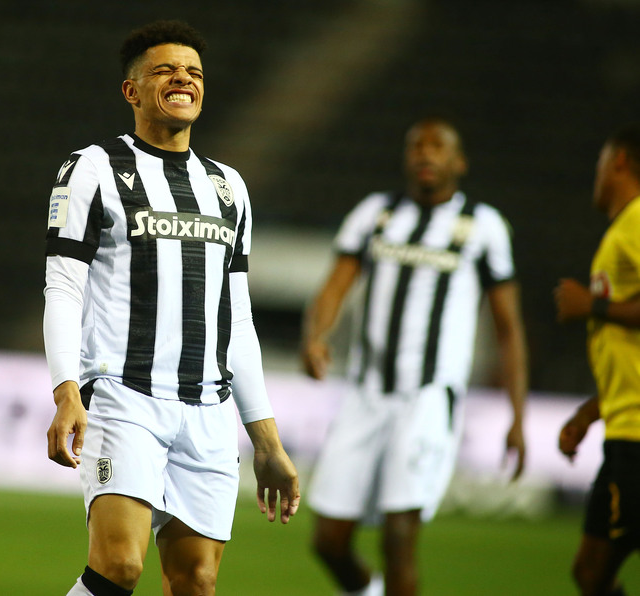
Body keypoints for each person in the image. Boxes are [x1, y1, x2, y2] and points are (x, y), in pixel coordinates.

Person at [44, 20, 300, 596]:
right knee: (119, 566)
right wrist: (66, 392)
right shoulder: (94, 168)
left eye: (194, 72)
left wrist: (266, 440)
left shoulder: (228, 187)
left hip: (208, 409)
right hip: (124, 396)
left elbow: (237, 319)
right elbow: (62, 287)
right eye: (165, 70)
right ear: (132, 91)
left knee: (197, 581)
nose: (183, 78)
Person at [301, 117, 529, 595]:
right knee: (328, 541)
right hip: (365, 393)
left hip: (427, 396)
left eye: (437, 146)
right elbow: (335, 285)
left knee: (399, 536)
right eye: (416, 146)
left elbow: (509, 329)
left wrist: (517, 417)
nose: (425, 153)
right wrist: (316, 336)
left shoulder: (483, 226)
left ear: (459, 162)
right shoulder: (376, 213)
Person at [555, 123, 640, 596]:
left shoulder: (638, 220)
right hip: (624, 429)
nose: (597, 174)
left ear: (620, 161)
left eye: (600, 164)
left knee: (593, 571)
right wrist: (590, 413)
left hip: (638, 440)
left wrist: (592, 305)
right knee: (590, 572)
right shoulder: (620, 231)